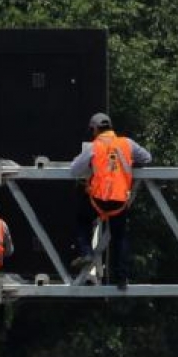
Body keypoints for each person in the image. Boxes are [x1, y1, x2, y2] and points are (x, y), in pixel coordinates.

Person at [69, 112, 152, 287]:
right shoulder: (126, 143)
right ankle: (121, 279)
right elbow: (147, 157)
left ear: (95, 129)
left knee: (81, 220)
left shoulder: (94, 146)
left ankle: (86, 252)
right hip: (120, 202)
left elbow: (74, 170)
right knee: (119, 237)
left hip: (98, 201)